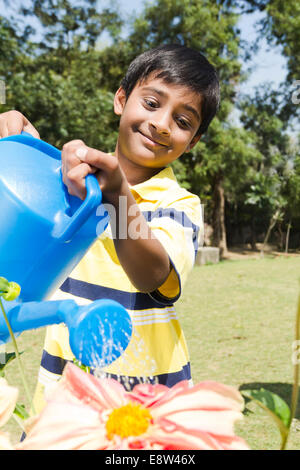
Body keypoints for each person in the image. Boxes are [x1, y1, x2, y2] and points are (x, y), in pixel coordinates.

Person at [0, 44, 220, 413]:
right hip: (62, 398)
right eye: (152, 103)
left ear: (193, 141)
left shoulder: (179, 205)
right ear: (121, 99)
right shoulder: (66, 186)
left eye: (183, 122)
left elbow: (153, 276)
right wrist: (17, 148)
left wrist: (118, 195)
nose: (162, 124)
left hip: (147, 404)